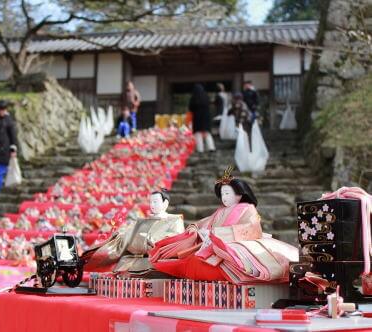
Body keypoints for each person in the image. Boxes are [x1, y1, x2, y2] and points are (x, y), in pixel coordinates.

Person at [149, 167, 298, 283]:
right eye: (222, 194)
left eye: (227, 193)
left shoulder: (248, 208)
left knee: (216, 263)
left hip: (232, 245)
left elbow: (252, 229)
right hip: (213, 246)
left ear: (239, 194)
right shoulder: (220, 211)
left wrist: (219, 234)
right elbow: (204, 224)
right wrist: (198, 230)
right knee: (192, 260)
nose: (224, 197)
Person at [82, 189, 184, 277]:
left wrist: (147, 240)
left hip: (156, 256)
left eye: (155, 202)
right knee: (121, 245)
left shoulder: (175, 220)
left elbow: (175, 238)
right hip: (135, 253)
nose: (152, 205)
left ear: (165, 203)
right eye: (151, 202)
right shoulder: (144, 220)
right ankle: (91, 258)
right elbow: (129, 233)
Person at [189, 83, 215, 153]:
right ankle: (211, 147)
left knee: (198, 133)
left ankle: (200, 149)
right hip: (206, 117)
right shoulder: (206, 96)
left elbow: (190, 108)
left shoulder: (193, 98)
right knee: (207, 133)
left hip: (197, 118)